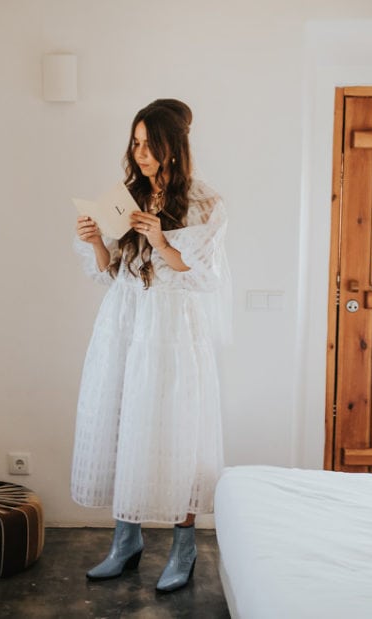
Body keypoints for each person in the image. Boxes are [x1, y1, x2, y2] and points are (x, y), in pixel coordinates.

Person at [71, 99, 229, 592]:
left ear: (172, 147)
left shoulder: (205, 203)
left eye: (148, 144)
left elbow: (203, 277)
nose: (139, 153)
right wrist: (96, 239)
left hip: (173, 331)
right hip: (124, 323)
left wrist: (162, 241)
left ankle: (184, 548)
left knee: (178, 431)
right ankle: (126, 540)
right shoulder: (126, 196)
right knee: (123, 423)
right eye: (135, 143)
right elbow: (108, 272)